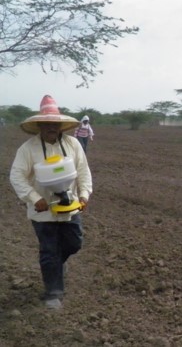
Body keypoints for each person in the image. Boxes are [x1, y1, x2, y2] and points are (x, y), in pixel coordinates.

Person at [9, 95, 93, 310]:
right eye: (46, 123)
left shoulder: (73, 144)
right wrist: (35, 198)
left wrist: (84, 194)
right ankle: (52, 293)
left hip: (70, 207)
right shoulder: (28, 149)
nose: (50, 127)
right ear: (39, 125)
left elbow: (83, 171)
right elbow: (16, 176)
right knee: (48, 251)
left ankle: (57, 266)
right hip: (43, 211)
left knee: (74, 243)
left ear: (60, 125)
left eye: (54, 123)